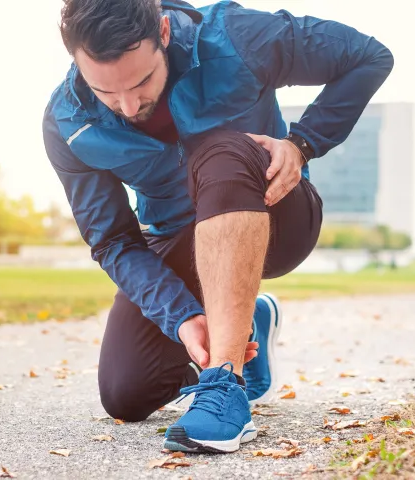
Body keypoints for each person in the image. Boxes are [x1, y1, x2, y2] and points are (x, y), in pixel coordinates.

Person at [43, 0, 393, 454]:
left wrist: (303, 143)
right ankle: (248, 323)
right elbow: (113, 240)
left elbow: (368, 56)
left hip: (275, 214)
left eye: (142, 81)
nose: (129, 106)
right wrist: (183, 316)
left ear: (164, 33)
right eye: (107, 92)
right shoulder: (67, 123)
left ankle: (225, 385)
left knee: (222, 150)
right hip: (180, 235)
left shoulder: (235, 36)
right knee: (126, 393)